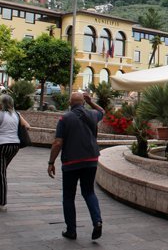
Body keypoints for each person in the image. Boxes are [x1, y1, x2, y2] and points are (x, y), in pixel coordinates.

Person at [47, 92, 104, 240]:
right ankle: (97, 221)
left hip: (71, 162)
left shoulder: (65, 118)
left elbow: (58, 143)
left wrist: (51, 162)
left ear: (70, 103)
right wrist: (91, 102)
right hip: (91, 159)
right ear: (83, 102)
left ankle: (71, 230)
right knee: (89, 192)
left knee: (68, 196)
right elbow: (102, 111)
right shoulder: (92, 114)